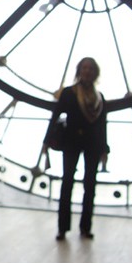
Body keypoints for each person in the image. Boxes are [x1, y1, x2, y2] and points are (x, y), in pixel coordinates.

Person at [43, 57, 109, 241]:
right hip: (92, 145)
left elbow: (55, 116)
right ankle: (85, 228)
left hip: (72, 143)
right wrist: (104, 148)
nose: (87, 71)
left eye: (89, 68)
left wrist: (47, 141)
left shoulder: (69, 93)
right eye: (85, 68)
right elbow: (102, 125)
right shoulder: (99, 98)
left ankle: (63, 228)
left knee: (68, 184)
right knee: (89, 186)